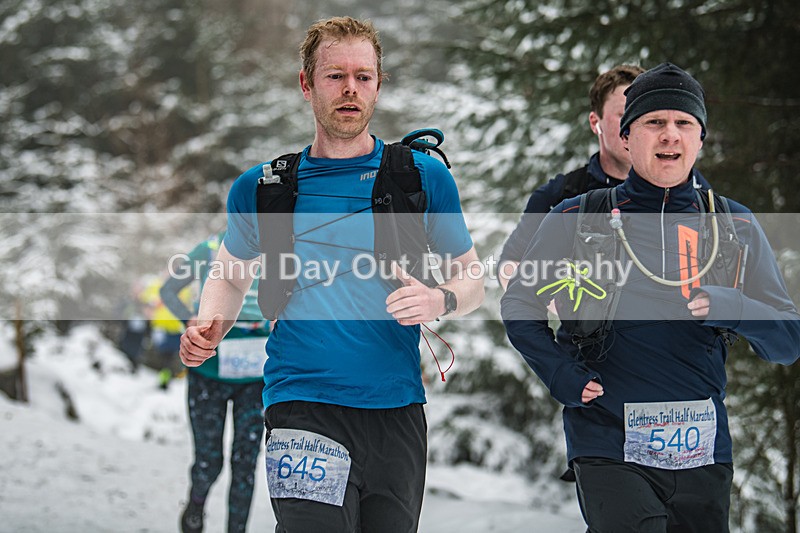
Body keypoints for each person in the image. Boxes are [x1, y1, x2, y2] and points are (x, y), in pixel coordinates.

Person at [180, 16, 484, 533]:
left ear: (378, 85)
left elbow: (471, 276)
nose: (350, 89)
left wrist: (441, 301)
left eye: (363, 76)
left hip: (396, 409)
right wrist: (210, 324)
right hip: (303, 402)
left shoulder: (420, 178)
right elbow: (229, 277)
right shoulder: (263, 188)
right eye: (334, 75)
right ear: (306, 83)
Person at [501, 62, 800, 532]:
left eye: (684, 123)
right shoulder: (576, 215)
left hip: (702, 451)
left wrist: (734, 306)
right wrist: (559, 372)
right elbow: (520, 303)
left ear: (700, 140)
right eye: (654, 122)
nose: (670, 135)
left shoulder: (734, 225)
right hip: (607, 442)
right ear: (626, 137)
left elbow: (788, 339)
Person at [498, 64, 711, 290]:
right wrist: (556, 300)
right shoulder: (563, 194)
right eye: (623, 114)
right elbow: (510, 266)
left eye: (646, 116)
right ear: (595, 122)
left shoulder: (696, 190)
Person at [161, 232, 268, 533]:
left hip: (255, 379)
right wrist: (189, 319)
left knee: (245, 464)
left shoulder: (282, 250)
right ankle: (196, 503)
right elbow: (169, 290)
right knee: (209, 460)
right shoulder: (209, 250)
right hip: (208, 375)